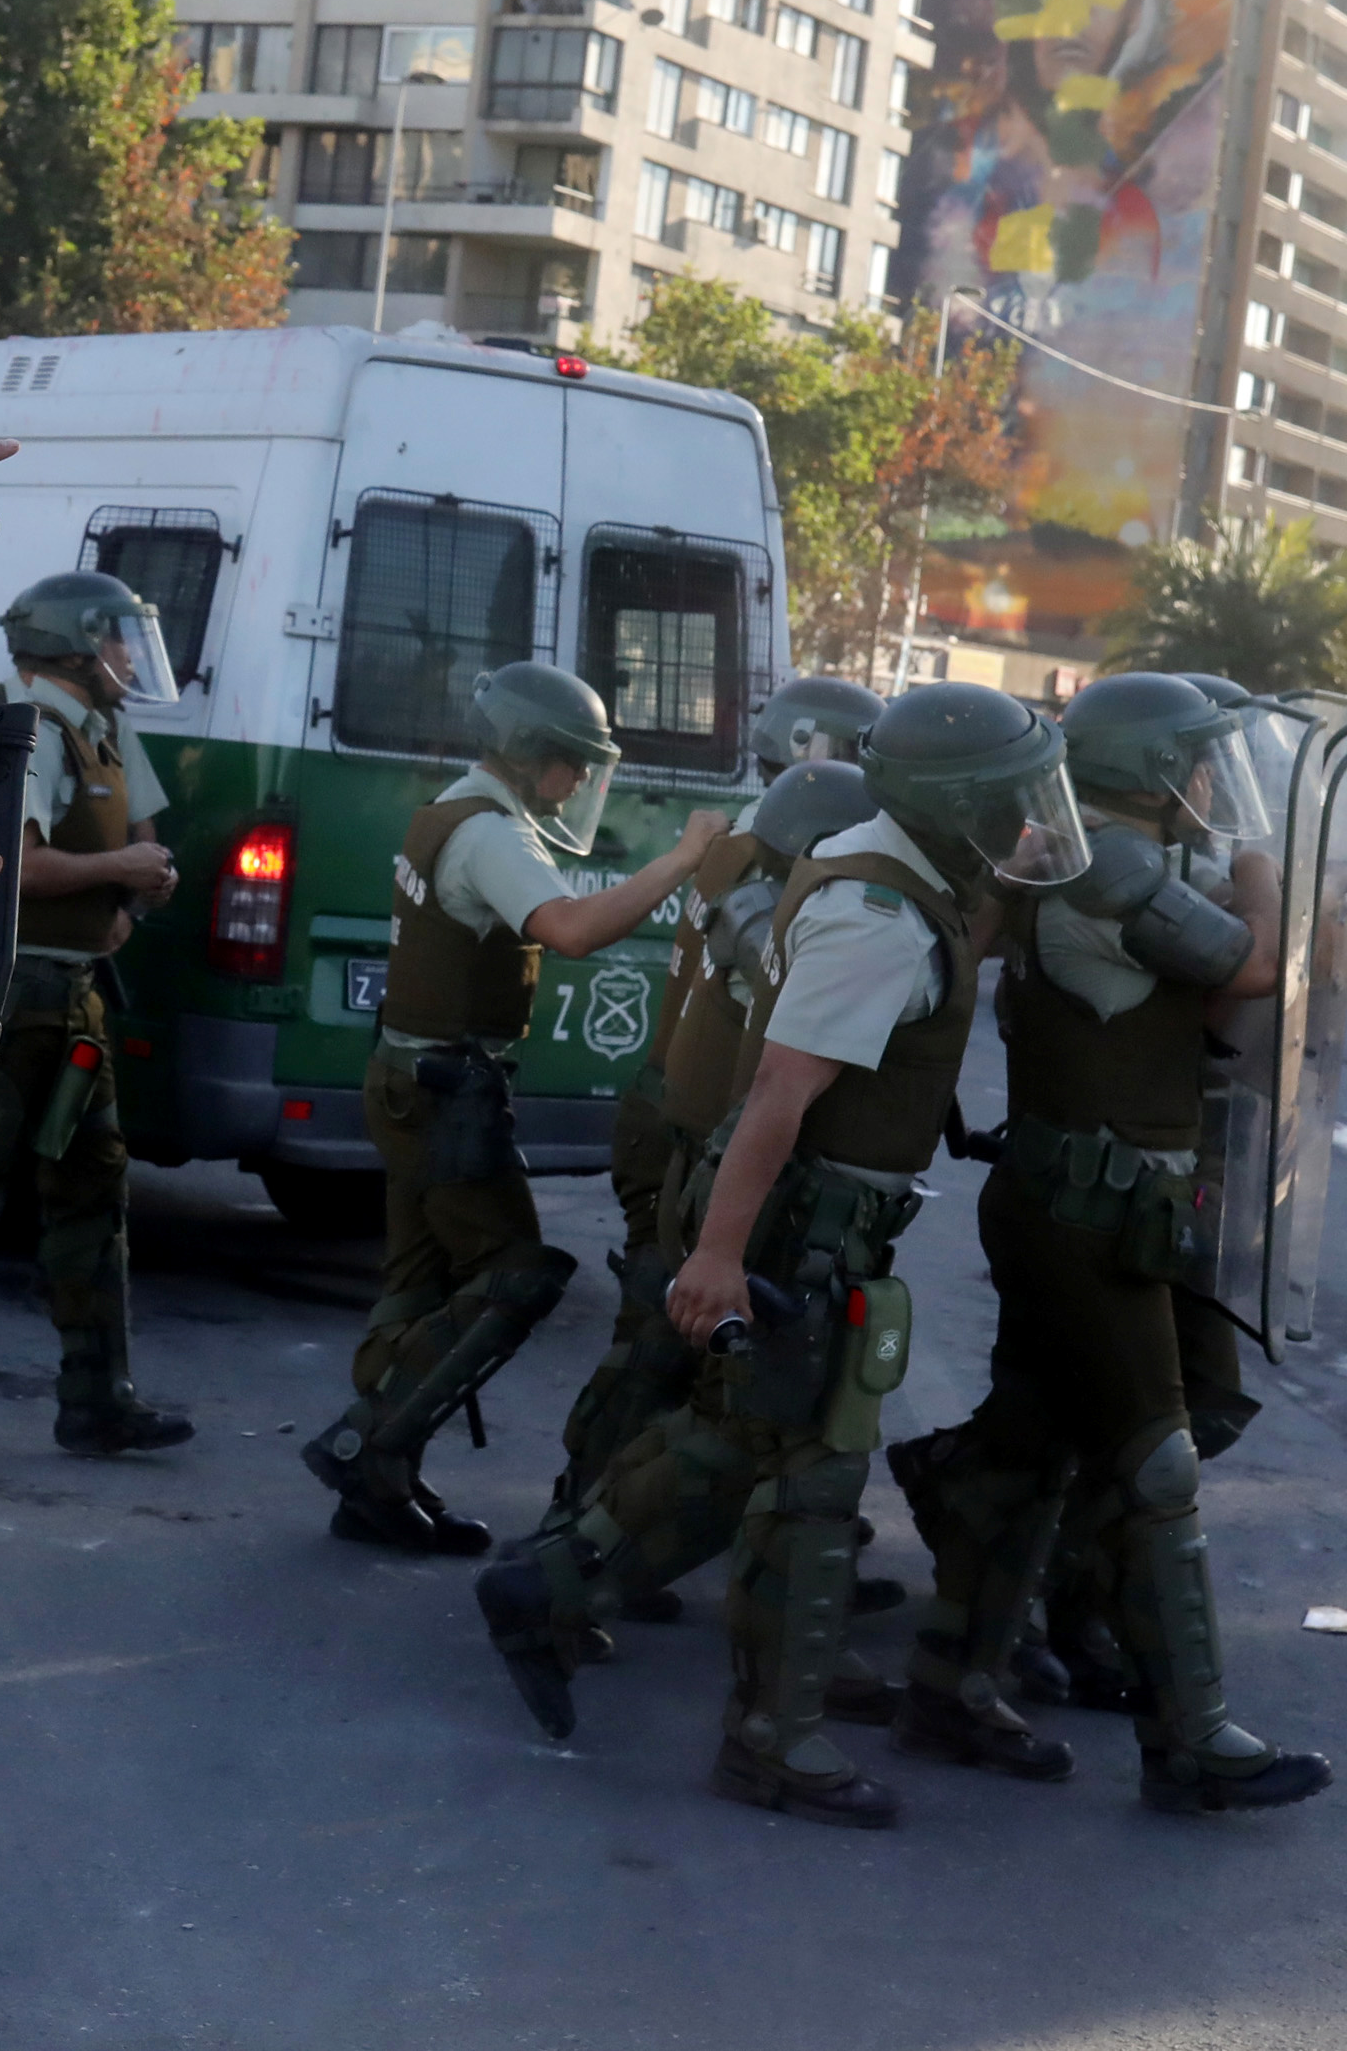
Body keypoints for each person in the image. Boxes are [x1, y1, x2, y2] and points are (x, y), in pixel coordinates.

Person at [475, 682, 1090, 1830]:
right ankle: (741, 1715)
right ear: (959, 806)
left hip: (818, 1217)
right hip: (802, 1220)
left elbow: (948, 950)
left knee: (762, 1455)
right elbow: (777, 1092)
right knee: (789, 1469)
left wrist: (1005, 871)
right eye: (1008, 800)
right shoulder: (877, 916)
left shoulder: (888, 854)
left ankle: (637, 1636)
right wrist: (714, 1254)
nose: (1022, 818)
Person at [884, 673, 1332, 1815]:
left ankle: (951, 1675)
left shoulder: (1059, 851)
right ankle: (1189, 1739)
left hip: (1069, 1198)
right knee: (1157, 1457)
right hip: (1087, 1209)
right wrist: (1265, 865)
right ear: (1145, 772)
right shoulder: (1108, 863)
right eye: (1191, 762)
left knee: (1034, 1451)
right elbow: (1248, 967)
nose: (1204, 784)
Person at [298, 664, 729, 1554]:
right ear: (534, 758)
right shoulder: (492, 834)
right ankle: (367, 1448)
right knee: (516, 1274)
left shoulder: (452, 807)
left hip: (412, 1076)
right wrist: (681, 861)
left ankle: (375, 1481)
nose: (577, 784)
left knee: (417, 1283)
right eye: (571, 765)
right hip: (446, 1088)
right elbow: (569, 930)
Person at [568, 676, 884, 1575]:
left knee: (682, 1351)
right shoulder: (786, 849)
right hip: (689, 1126)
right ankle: (581, 1537)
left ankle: (636, 1539)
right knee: (664, 1349)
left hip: (678, 1111)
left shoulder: (743, 835)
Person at [0, 569, 192, 1459]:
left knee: (91, 1194)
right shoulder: (19, 730)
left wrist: (132, 893)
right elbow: (14, 867)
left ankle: (98, 1398)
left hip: (69, 997)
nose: (130, 657)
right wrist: (122, 874)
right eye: (119, 639)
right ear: (76, 644)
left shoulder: (100, 729)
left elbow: (139, 842)